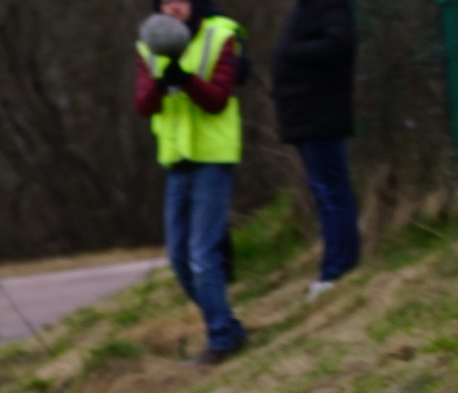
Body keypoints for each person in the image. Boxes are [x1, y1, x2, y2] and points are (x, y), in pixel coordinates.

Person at [136, 0, 250, 367]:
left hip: (213, 157)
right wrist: (159, 84)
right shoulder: (148, 43)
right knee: (180, 259)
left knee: (203, 256)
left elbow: (218, 99)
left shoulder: (221, 36)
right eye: (167, 1)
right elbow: (143, 105)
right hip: (176, 159)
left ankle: (220, 338)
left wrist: (184, 79)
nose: (174, 7)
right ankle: (228, 327)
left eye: (181, 0)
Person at [272, 0, 359, 299]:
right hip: (305, 116)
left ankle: (338, 268)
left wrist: (292, 55)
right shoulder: (304, 9)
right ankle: (333, 265)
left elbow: (339, 44)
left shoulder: (330, 6)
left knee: (332, 193)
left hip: (321, 114)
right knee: (324, 194)